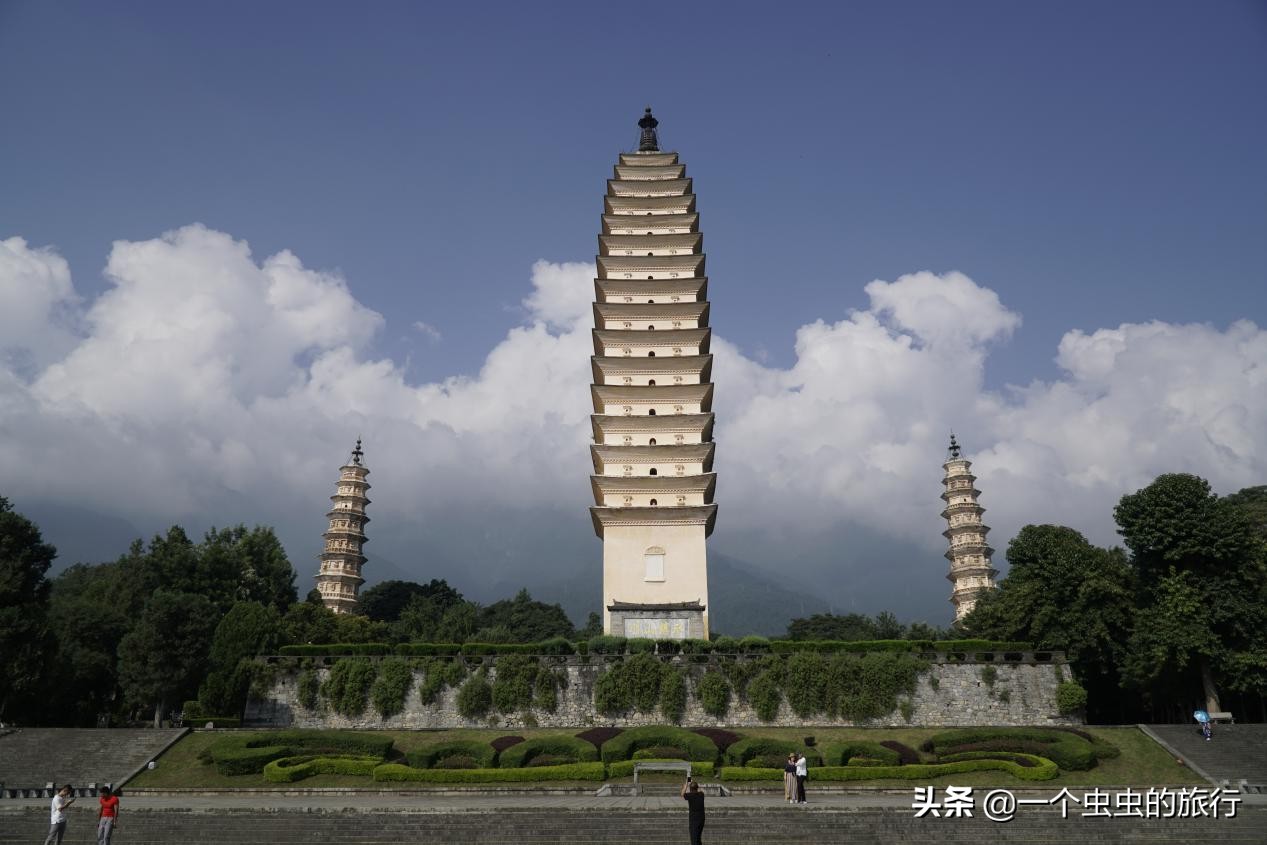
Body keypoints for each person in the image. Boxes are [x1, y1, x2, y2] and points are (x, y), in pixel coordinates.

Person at [681, 775, 705, 844]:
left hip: (694, 820)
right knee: (698, 838)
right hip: (701, 820)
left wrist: (686, 783)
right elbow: (700, 790)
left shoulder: (690, 796)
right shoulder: (701, 795)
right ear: (697, 788)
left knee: (694, 839)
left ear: (690, 789)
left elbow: (682, 794)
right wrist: (692, 783)